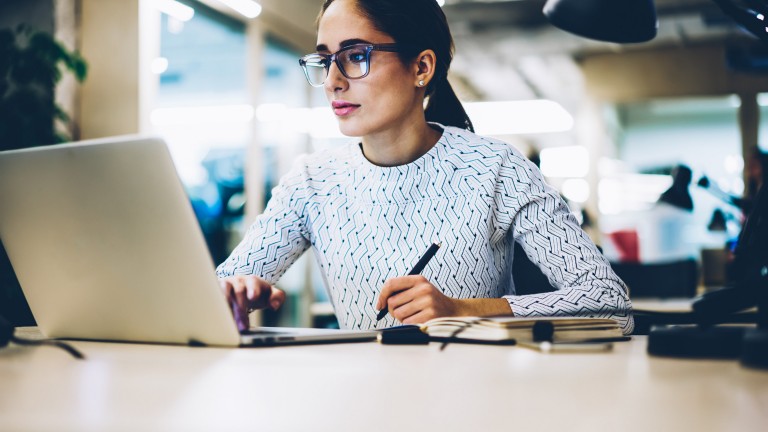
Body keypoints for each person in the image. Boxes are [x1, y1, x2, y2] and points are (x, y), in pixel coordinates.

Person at [216, 0, 633, 334]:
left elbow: (610, 303)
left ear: (421, 68)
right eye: (325, 61)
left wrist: (461, 310)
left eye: (356, 56)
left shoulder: (497, 169)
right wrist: (233, 290)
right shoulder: (311, 182)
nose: (333, 81)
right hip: (358, 402)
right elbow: (218, 289)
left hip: (477, 400)